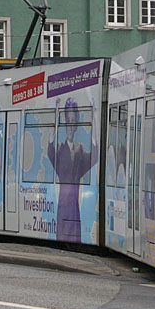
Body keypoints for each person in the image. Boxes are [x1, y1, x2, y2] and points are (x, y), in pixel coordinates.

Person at [48, 98, 98, 242]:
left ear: (76, 125)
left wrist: (94, 118)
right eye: (68, 121)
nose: (70, 125)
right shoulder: (59, 151)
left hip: (75, 209)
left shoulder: (80, 151)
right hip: (63, 206)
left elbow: (94, 157)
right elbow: (50, 150)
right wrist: (55, 113)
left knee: (75, 239)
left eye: (73, 121)